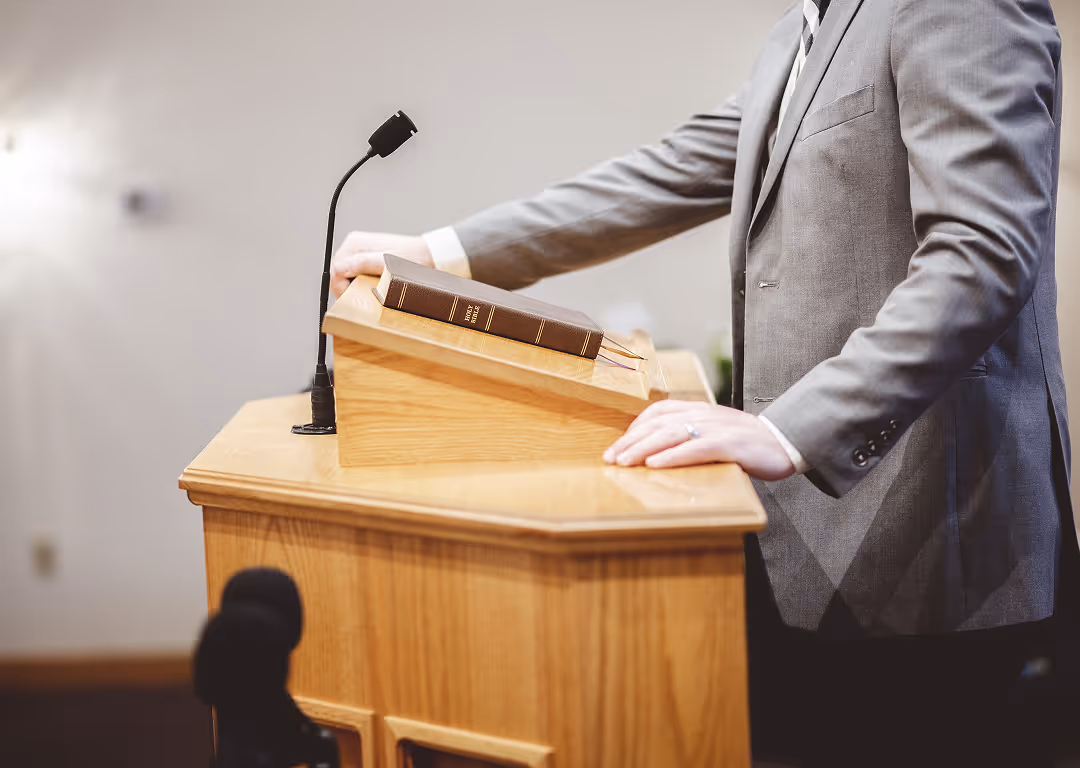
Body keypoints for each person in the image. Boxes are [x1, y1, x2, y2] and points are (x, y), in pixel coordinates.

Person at [330, 1, 1074, 765]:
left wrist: (791, 428)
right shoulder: (801, 31)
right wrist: (440, 253)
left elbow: (981, 253)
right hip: (806, 537)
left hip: (934, 534)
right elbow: (669, 171)